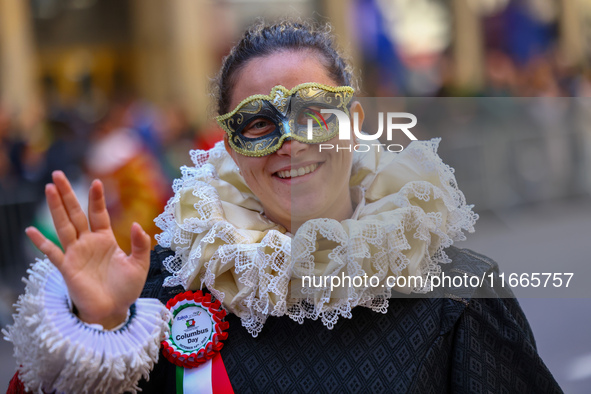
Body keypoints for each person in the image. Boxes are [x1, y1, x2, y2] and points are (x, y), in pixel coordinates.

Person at [4, 20, 562, 394]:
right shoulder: (166, 291)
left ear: (356, 124)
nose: (291, 142)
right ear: (230, 147)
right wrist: (99, 327)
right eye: (258, 123)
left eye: (316, 114)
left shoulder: (459, 295)